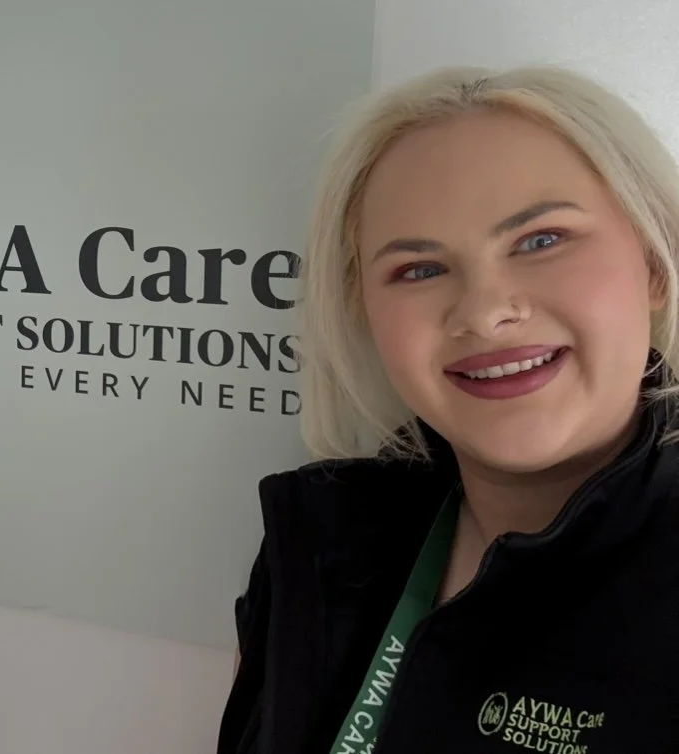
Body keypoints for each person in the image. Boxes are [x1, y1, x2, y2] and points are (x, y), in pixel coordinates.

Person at [217, 66, 679, 753]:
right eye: (419, 270)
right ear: (364, 309)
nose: (486, 313)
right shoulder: (320, 541)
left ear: (653, 261)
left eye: (541, 240)